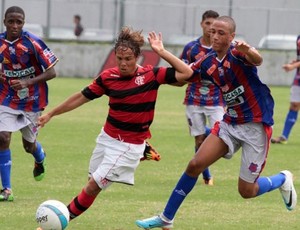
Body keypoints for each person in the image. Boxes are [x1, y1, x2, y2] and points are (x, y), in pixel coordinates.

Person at [135, 16, 297, 229]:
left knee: (247, 191)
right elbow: (186, 73)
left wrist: (248, 50)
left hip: (256, 126)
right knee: (195, 165)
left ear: (231, 37)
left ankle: (283, 179)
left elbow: (257, 59)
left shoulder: (239, 53)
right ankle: (166, 218)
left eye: (221, 33)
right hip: (230, 123)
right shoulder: (207, 60)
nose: (215, 36)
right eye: (213, 32)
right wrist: (161, 52)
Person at [37, 27, 193, 223]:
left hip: (128, 145)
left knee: (93, 186)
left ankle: (60, 220)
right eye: (119, 58)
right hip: (107, 137)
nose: (123, 63)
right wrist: (51, 113)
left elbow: (187, 73)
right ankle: (143, 151)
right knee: (91, 184)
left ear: (138, 56)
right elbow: (80, 97)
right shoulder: (108, 78)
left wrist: (161, 52)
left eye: (128, 59)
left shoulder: (152, 75)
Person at [0, 6, 58, 201]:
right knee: (2, 137)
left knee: (28, 145)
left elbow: (52, 72)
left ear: (23, 23)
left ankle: (40, 157)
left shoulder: (32, 42)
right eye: (11, 21)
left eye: (19, 22)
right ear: (4, 22)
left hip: (33, 100)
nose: (15, 25)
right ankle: (7, 190)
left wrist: (26, 81)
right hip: (6, 97)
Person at [180, 10, 224, 186]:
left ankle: (206, 131)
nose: (210, 29)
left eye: (214, 26)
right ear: (202, 24)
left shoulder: (222, 49)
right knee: (199, 139)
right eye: (207, 24)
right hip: (193, 98)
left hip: (216, 99)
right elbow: (182, 69)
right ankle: (206, 176)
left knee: (219, 134)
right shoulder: (191, 48)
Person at [271, 34, 300, 144]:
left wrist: (294, 66)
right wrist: (295, 63)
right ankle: (284, 137)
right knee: (294, 105)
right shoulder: (298, 37)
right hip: (298, 77)